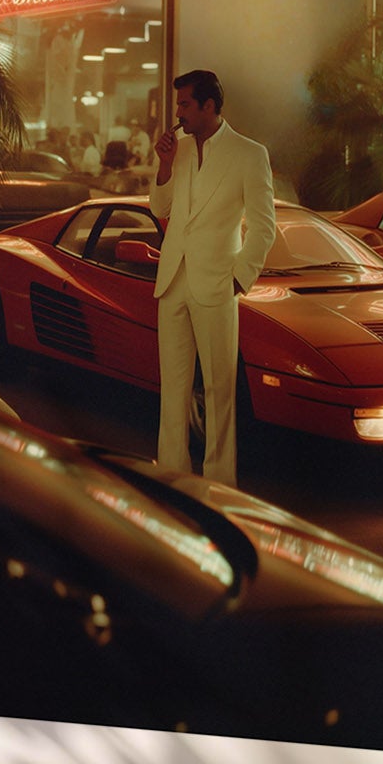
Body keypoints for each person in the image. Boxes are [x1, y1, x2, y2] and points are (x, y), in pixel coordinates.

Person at [150, 69, 275, 487]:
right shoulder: (179, 151)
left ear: (209, 106)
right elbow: (160, 208)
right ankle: (171, 475)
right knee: (173, 390)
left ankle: (220, 483)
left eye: (185, 104)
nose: (179, 113)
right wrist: (164, 165)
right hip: (173, 280)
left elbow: (263, 226)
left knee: (220, 392)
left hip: (218, 283)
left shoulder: (249, 154)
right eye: (179, 105)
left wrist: (240, 278)